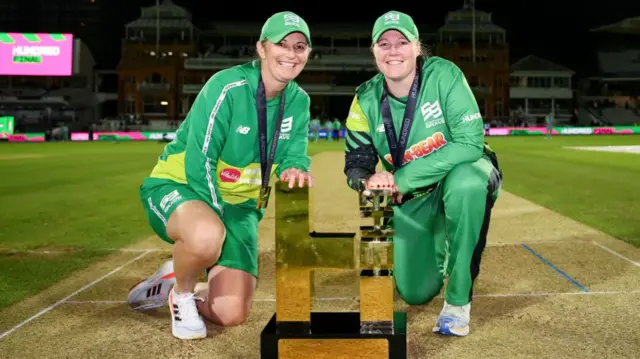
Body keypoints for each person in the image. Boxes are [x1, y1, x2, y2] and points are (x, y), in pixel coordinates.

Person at [126, 11, 314, 340]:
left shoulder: (298, 101)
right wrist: (216, 227)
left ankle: (175, 278)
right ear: (262, 48)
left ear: (307, 54)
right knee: (206, 236)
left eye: (300, 46)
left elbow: (295, 153)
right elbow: (200, 162)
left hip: (241, 208)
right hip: (182, 188)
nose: (291, 53)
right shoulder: (228, 87)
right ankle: (183, 294)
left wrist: (296, 167)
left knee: (231, 314)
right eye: (282, 44)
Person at [343, 11, 502, 337]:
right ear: (374, 51)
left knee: (467, 183)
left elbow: (470, 143)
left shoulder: (444, 75)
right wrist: (368, 181)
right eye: (384, 43)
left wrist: (400, 178)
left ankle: (457, 304)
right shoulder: (364, 99)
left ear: (417, 47)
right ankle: (437, 243)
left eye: (402, 42)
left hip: (462, 176)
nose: (393, 51)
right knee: (415, 292)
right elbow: (356, 163)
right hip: (414, 197)